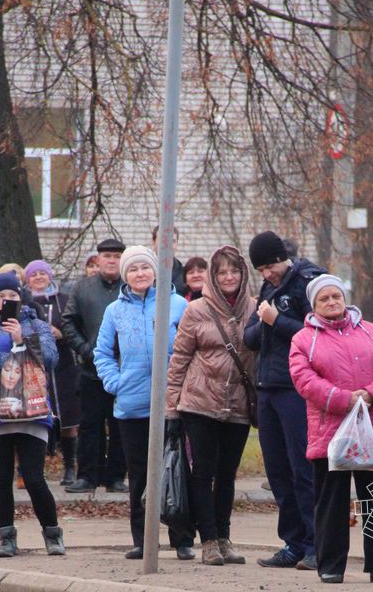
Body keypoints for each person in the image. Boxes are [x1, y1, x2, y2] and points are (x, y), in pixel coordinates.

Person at [289, 275, 373, 585]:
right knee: (331, 503)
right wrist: (345, 399)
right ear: (313, 305)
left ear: (344, 298)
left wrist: (371, 394)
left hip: (371, 429)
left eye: (336, 296)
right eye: (324, 298)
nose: (331, 302)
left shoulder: (371, 331)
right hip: (329, 434)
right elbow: (305, 381)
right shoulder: (303, 339)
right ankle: (331, 565)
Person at [94, 245, 194, 560]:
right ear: (126, 274)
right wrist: (115, 383)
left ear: (155, 272)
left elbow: (194, 350)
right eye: (134, 269)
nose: (140, 274)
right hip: (131, 405)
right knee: (138, 475)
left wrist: (184, 389)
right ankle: (143, 539)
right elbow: (102, 353)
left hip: (172, 404)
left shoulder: (177, 305)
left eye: (145, 268)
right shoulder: (115, 311)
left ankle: (183, 539)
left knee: (176, 470)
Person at [166, 246, 255, 566]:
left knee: (227, 475)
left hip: (239, 405)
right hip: (200, 402)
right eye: (222, 272)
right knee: (202, 472)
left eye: (234, 271)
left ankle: (225, 537)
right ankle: (208, 540)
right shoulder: (197, 310)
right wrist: (171, 407)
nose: (229, 277)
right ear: (213, 278)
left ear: (243, 275)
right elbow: (179, 360)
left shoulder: (255, 309)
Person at [0, 272, 65, 557]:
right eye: (0, 297)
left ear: (20, 298)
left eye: (11, 296)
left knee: (34, 477)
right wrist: (17, 355)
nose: (6, 301)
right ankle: (7, 538)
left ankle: (53, 534)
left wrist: (22, 339)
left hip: (32, 408)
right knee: (1, 477)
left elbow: (50, 358)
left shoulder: (36, 324)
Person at [243, 230, 325, 570]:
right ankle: (292, 542)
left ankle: (316, 544)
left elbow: (318, 332)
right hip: (268, 387)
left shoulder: (308, 282)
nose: (265, 275)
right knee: (277, 471)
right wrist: (266, 323)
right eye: (260, 270)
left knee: (302, 469)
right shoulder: (268, 289)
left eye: (268, 267)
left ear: (281, 259)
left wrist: (276, 322)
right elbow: (250, 337)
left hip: (297, 389)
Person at [61, 239, 127, 494]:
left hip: (124, 370)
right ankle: (87, 475)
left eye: (116, 256)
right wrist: (86, 350)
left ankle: (116, 477)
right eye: (107, 256)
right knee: (90, 425)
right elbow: (68, 323)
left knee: (120, 424)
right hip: (91, 370)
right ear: (98, 260)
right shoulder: (82, 288)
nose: (111, 260)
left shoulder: (131, 288)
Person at [25, 259, 80, 486]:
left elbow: (74, 326)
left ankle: (69, 467)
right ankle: (31, 470)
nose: (38, 277)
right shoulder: (23, 301)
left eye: (42, 273)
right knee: (35, 417)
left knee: (67, 417)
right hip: (32, 365)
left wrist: (61, 334)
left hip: (63, 367)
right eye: (34, 274)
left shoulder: (63, 301)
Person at [151, 225, 188, 296]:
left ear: (177, 244)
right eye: (163, 240)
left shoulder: (184, 275)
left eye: (172, 241)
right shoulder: (142, 273)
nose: (167, 245)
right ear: (153, 242)